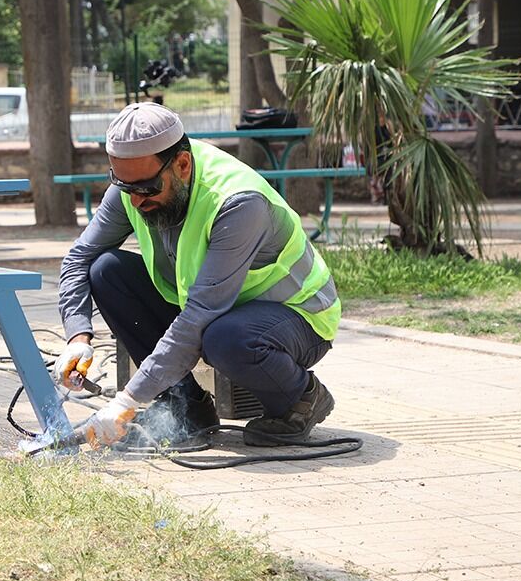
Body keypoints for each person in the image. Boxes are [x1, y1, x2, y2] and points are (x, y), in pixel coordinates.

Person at [54, 102, 340, 448]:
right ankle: (186, 406)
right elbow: (78, 259)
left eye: (145, 189)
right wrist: (78, 338)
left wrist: (127, 401)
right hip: (219, 308)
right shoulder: (136, 185)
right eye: (125, 188)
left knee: (223, 338)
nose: (136, 202)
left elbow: (201, 314)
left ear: (183, 165)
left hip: (296, 315)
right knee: (107, 271)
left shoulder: (237, 202)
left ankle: (302, 397)